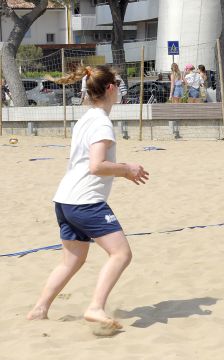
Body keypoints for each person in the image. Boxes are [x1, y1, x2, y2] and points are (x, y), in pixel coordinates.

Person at [27, 65, 150, 329]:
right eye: (117, 83)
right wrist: (127, 169)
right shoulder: (102, 122)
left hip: (64, 200)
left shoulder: (86, 118)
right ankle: (95, 307)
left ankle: (39, 309)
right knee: (121, 254)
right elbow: (96, 165)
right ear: (110, 88)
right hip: (85, 201)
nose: (119, 88)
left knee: (72, 260)